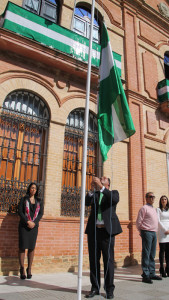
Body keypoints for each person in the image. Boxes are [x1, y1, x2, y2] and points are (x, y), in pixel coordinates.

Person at [85, 176, 122, 299]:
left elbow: (113, 200)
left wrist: (101, 188)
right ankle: (95, 288)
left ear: (108, 183)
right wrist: (91, 189)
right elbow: (86, 202)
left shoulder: (113, 193)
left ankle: (109, 289)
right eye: (101, 178)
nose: (101, 178)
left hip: (107, 232)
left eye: (104, 178)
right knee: (94, 260)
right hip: (94, 231)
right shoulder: (95, 194)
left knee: (108, 261)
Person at [18, 182, 43, 279]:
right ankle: (22, 269)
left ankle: (29, 269)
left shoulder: (39, 201)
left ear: (36, 190)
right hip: (24, 226)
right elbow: (20, 211)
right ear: (29, 189)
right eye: (32, 188)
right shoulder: (24, 199)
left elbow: (41, 214)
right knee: (22, 247)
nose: (33, 190)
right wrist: (27, 221)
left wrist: (34, 222)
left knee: (31, 247)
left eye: (35, 188)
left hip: (34, 227)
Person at [136, 192, 162, 283]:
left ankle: (152, 273)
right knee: (146, 253)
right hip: (147, 232)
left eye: (153, 197)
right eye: (150, 197)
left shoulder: (154, 209)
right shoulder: (144, 208)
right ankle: (145, 275)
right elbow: (139, 221)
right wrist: (141, 231)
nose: (152, 198)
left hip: (154, 232)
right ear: (146, 198)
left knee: (152, 254)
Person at [157, 195, 169, 277]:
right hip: (162, 231)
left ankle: (168, 268)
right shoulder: (158, 209)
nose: (164, 201)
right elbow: (158, 220)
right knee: (162, 251)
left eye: (165, 199)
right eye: (162, 199)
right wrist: (165, 229)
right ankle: (162, 268)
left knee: (168, 252)